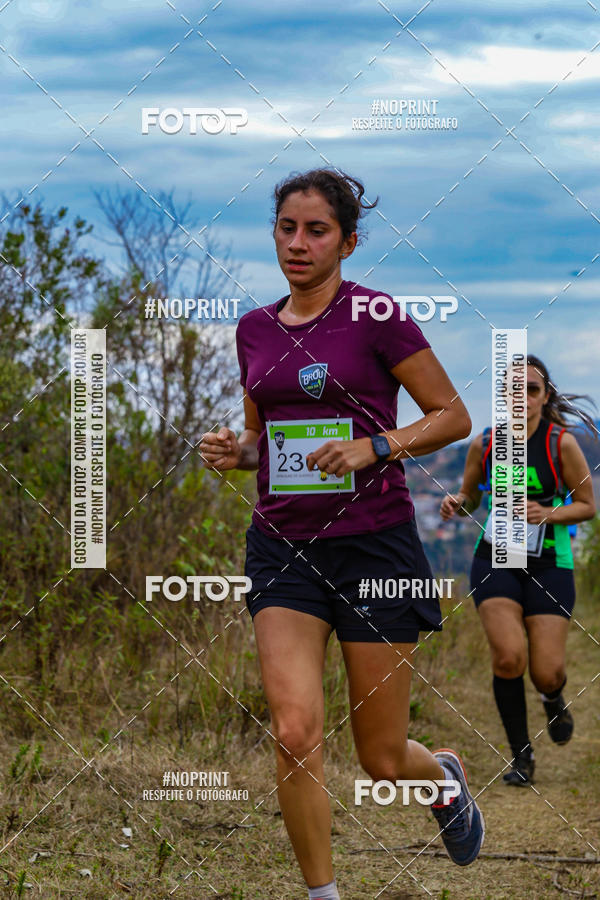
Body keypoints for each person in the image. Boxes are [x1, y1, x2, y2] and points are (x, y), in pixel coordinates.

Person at [200, 168, 484, 899]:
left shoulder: (378, 317)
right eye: (287, 228)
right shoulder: (254, 329)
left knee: (382, 757)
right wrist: (242, 453)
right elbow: (270, 443)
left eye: (316, 230)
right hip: (282, 549)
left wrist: (376, 446)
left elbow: (453, 417)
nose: (298, 243)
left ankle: (442, 778)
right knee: (294, 733)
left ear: (348, 242)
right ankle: (322, 895)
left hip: (373, 545)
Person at [440, 356, 596, 786]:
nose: (521, 398)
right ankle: (520, 757)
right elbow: (470, 494)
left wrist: (546, 513)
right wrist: (458, 502)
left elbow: (587, 505)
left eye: (531, 389)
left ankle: (552, 696)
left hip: (549, 563)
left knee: (546, 669)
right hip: (495, 557)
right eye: (513, 389)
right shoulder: (485, 443)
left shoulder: (559, 443)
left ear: (545, 397)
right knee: (509, 657)